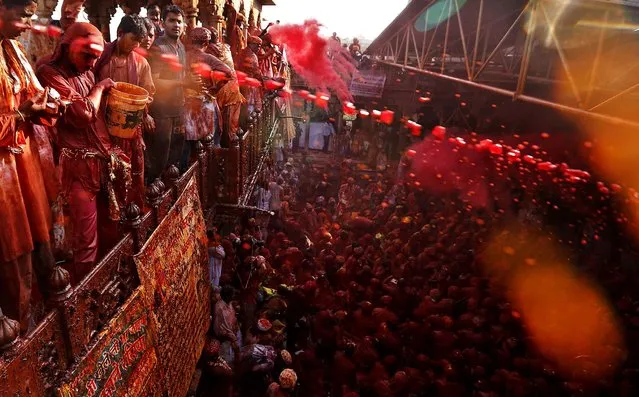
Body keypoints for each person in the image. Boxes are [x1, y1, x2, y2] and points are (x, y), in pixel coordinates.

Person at [37, 22, 129, 283]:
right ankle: (84, 303)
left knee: (110, 227)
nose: (91, 63)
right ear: (68, 48)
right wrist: (99, 88)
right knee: (85, 241)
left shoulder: (86, 73)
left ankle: (107, 285)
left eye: (95, 58)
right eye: (87, 55)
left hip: (100, 163)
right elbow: (82, 114)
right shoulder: (49, 73)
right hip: (77, 169)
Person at [0, 0, 59, 331]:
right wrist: (23, 114)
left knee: (37, 241)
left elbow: (34, 93)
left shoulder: (12, 49)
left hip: (22, 161)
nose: (27, 22)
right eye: (21, 14)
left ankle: (34, 326)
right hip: (3, 170)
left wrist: (52, 103)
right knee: (11, 247)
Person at [94, 14, 156, 210]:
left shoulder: (141, 63)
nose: (135, 45)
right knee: (106, 171)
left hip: (130, 126)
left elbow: (148, 92)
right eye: (133, 39)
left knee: (133, 168)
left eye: (139, 41)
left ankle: (132, 208)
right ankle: (110, 210)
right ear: (120, 33)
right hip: (102, 124)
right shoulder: (100, 58)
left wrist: (145, 112)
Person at [146, 4, 188, 180]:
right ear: (163, 23)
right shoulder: (157, 47)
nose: (176, 25)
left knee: (175, 156)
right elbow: (154, 82)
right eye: (171, 21)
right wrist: (183, 83)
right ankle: (153, 197)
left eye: (179, 21)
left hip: (179, 109)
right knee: (159, 157)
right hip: (161, 111)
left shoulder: (181, 47)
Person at [184, 27, 230, 160]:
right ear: (206, 43)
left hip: (187, 105)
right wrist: (214, 88)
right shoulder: (207, 58)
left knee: (189, 145)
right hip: (205, 104)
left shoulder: (183, 55)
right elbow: (228, 73)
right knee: (210, 143)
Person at [206, 28, 244, 146]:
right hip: (233, 88)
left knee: (223, 125)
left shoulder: (209, 50)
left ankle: (226, 151)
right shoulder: (226, 46)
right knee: (231, 124)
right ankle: (229, 148)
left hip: (224, 88)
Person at [214, 285, 241, 363]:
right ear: (227, 296)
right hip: (224, 338)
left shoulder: (228, 302)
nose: (233, 296)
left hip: (231, 334)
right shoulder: (221, 310)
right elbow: (225, 329)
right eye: (232, 295)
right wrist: (234, 339)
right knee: (226, 358)